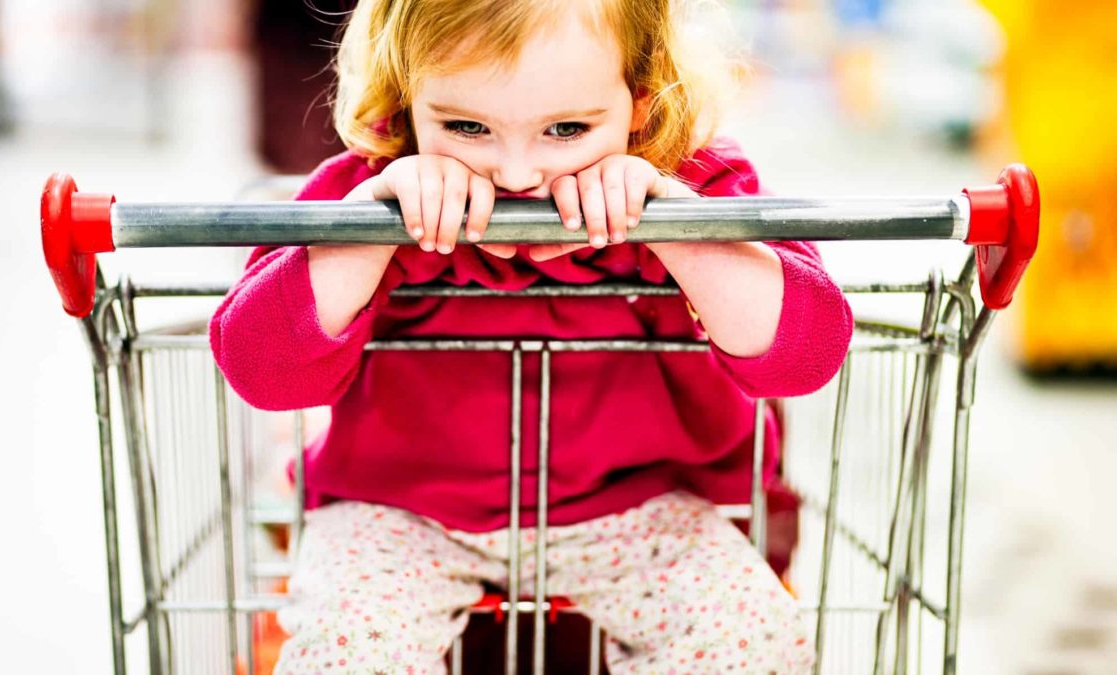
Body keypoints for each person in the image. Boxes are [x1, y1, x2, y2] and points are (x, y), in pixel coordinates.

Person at [210, 0, 853, 671]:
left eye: (567, 129)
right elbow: (261, 368)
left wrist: (677, 228)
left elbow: (805, 354)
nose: (516, 176)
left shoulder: (695, 184)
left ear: (639, 98)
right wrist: (368, 231)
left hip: (638, 507)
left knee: (752, 636)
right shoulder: (368, 187)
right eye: (466, 126)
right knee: (349, 645)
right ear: (405, 96)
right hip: (398, 512)